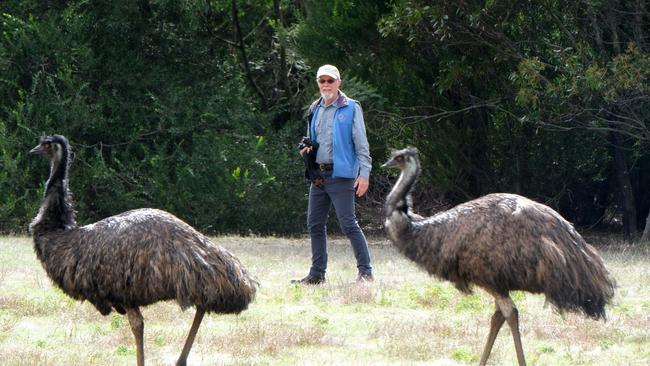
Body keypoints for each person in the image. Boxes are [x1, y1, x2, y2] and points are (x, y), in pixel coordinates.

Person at [291, 64, 373, 285]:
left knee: (348, 224)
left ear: (339, 83)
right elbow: (312, 140)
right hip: (318, 176)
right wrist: (306, 149)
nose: (326, 85)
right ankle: (317, 274)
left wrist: (364, 174)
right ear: (318, 83)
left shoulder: (351, 108)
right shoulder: (314, 108)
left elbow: (361, 144)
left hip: (342, 176)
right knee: (315, 224)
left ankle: (366, 274)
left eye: (330, 81)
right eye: (322, 81)